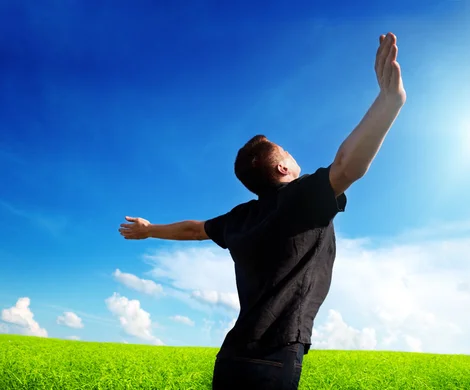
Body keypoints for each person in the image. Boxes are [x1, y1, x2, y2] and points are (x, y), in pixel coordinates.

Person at [119, 32, 406, 390]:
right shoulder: (300, 198)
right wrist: (389, 101)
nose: (291, 153)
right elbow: (347, 165)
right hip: (273, 357)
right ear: (281, 169)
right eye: (285, 151)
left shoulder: (239, 218)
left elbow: (194, 230)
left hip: (231, 357)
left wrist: (149, 229)